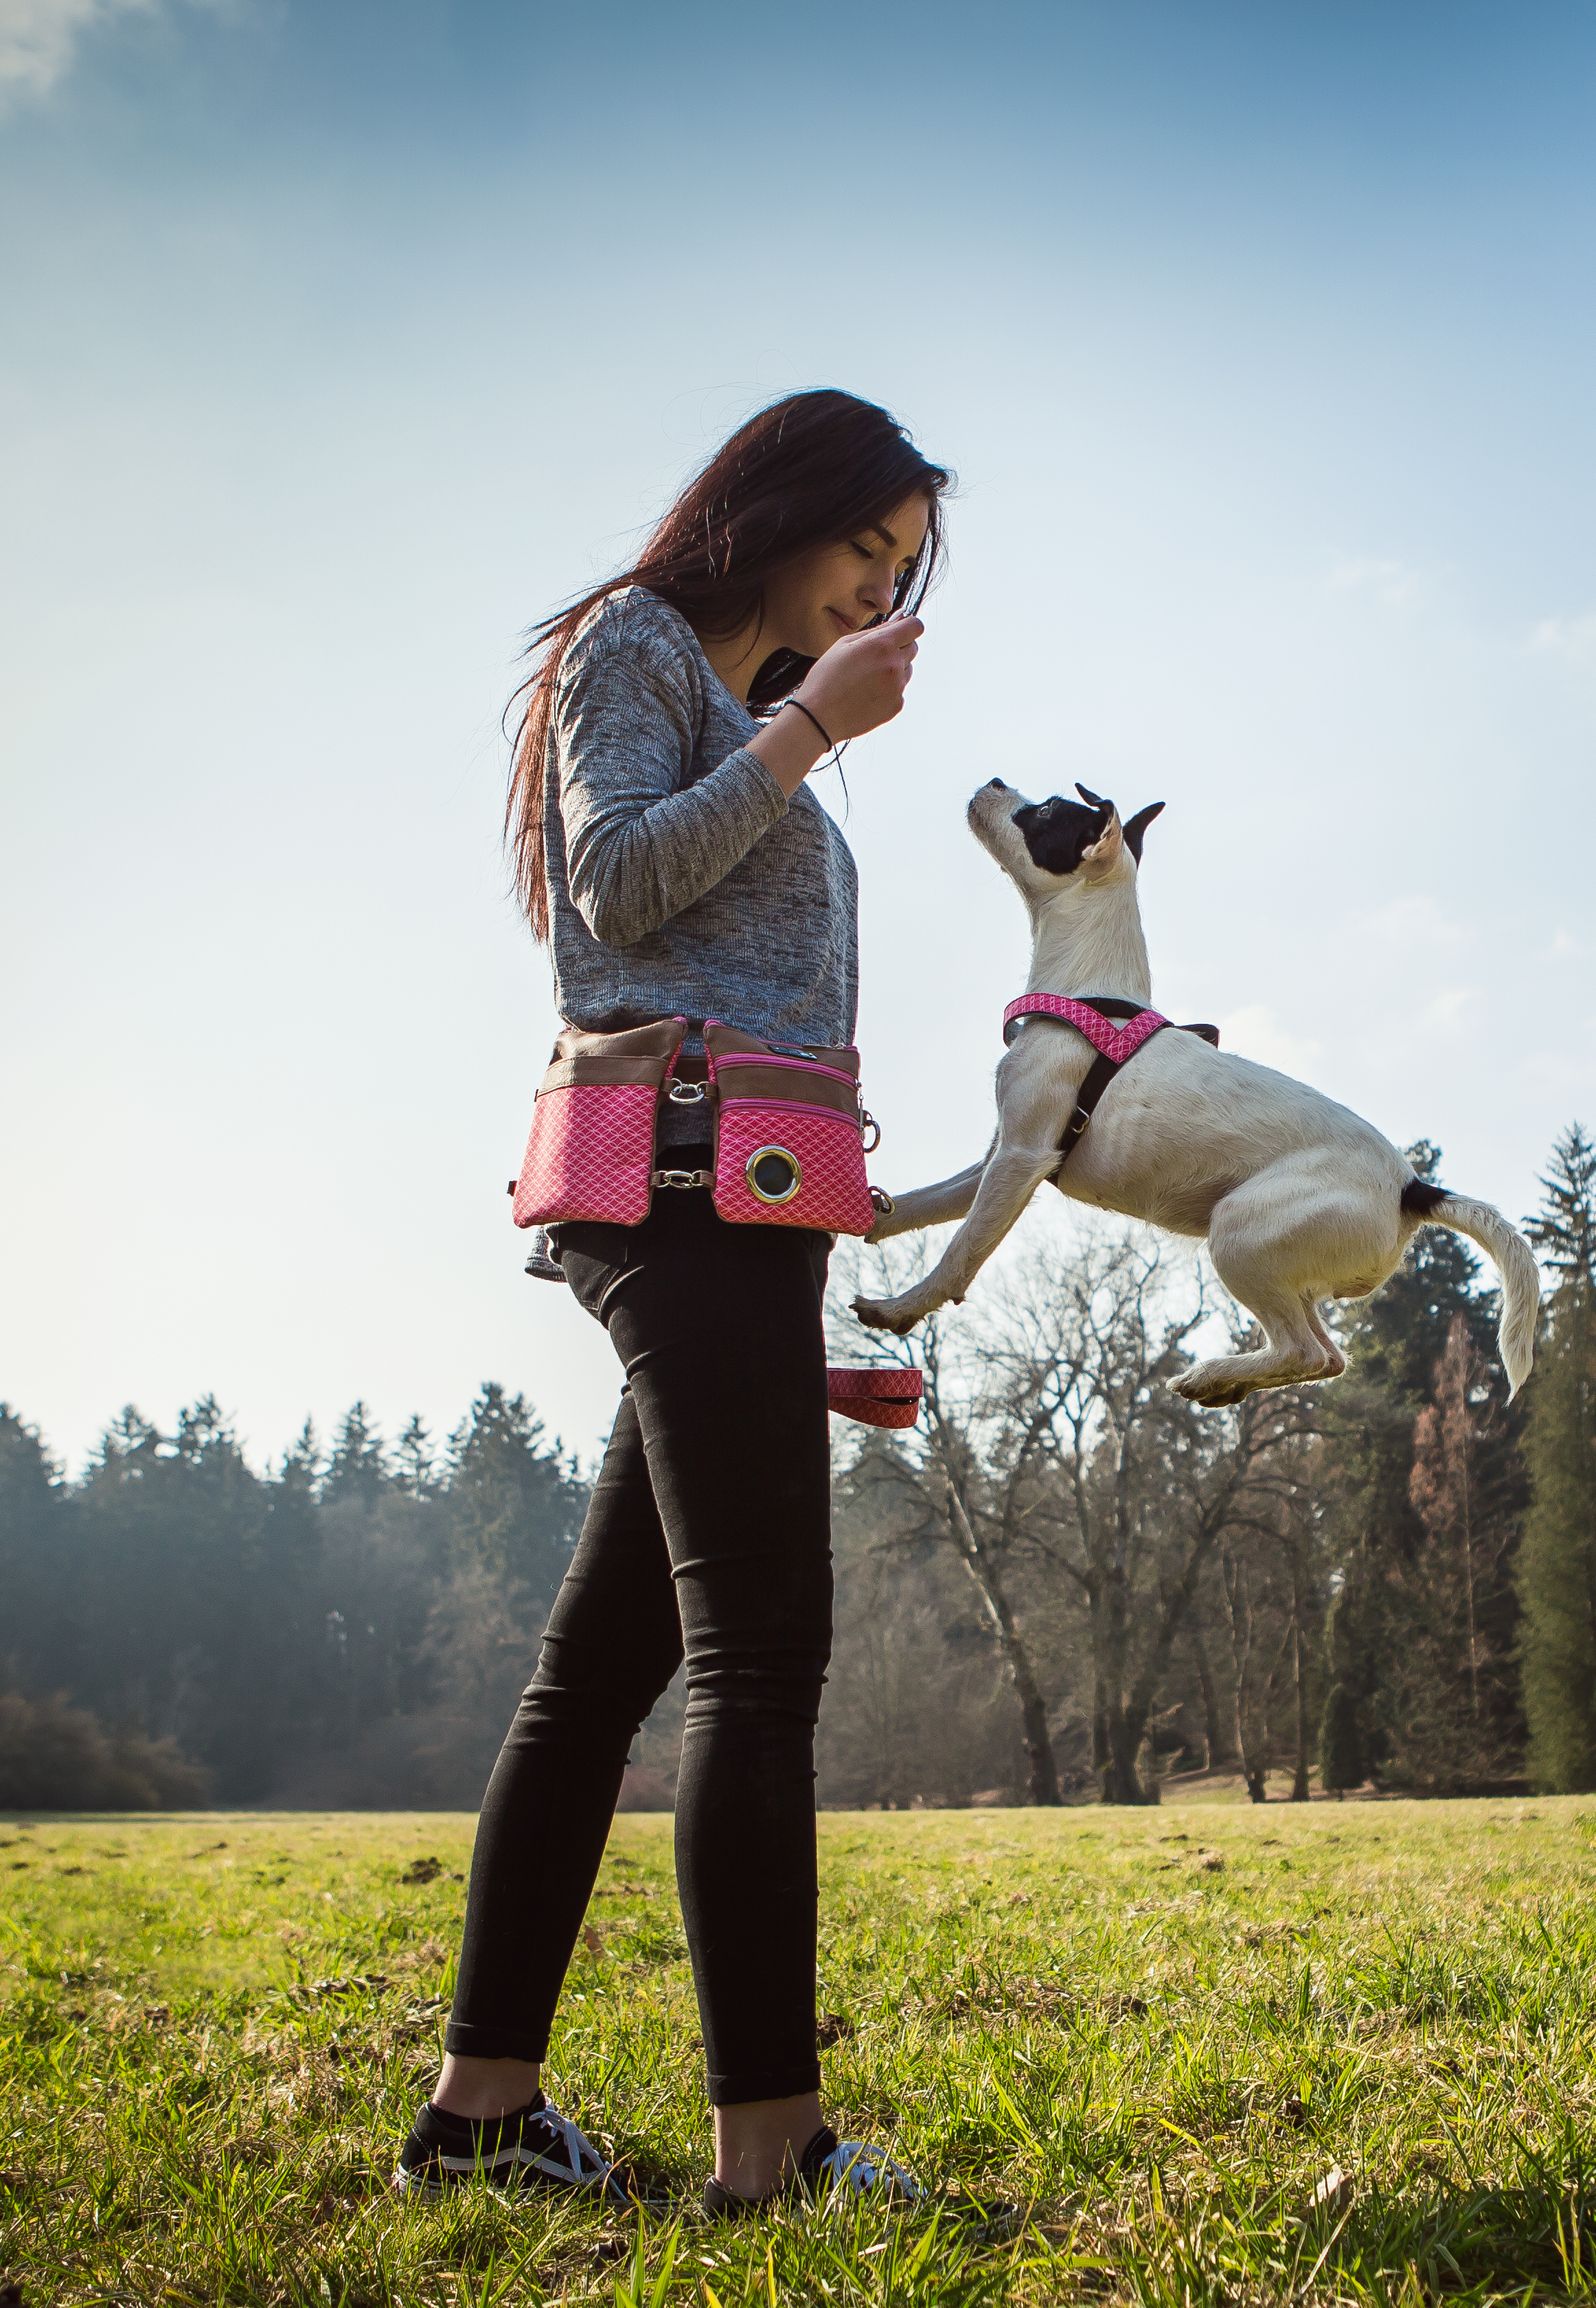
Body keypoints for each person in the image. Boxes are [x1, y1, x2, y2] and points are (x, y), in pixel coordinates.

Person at [391, 389, 947, 2210]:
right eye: (865, 551)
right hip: (686, 1181)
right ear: (776, 511)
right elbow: (617, 890)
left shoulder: (741, 705)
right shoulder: (635, 646)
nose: (880, 596)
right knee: (760, 1655)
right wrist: (801, 728)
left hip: (747, 1201)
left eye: (904, 573)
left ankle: (480, 2119)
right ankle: (772, 2152)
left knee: (600, 1669)